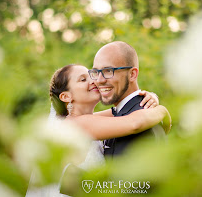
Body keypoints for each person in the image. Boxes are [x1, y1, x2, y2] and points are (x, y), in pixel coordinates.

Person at [25, 64, 171, 197]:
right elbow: (135, 123)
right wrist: (163, 111)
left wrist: (152, 97)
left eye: (91, 76)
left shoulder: (81, 121)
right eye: (83, 80)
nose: (94, 82)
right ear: (66, 96)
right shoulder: (76, 125)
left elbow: (121, 111)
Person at [90, 41, 167, 157]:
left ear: (132, 74)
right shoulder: (122, 115)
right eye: (96, 72)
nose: (99, 80)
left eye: (108, 71)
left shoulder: (144, 123)